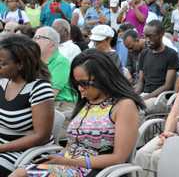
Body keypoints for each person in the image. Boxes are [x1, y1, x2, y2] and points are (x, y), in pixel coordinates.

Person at [10, 49, 144, 177]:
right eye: (76, 83)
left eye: (84, 83)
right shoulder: (88, 102)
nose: (79, 89)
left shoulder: (124, 106)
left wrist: (67, 162)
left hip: (96, 170)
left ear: (103, 77)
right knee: (21, 172)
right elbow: (72, 144)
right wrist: (58, 159)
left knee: (21, 174)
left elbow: (118, 158)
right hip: (68, 164)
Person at [135, 35, 179, 177]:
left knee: (158, 157)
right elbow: (175, 112)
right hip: (175, 135)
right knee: (142, 154)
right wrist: (167, 133)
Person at [0, 34, 54, 176]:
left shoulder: (39, 88)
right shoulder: (3, 81)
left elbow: (41, 136)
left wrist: (2, 148)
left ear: (20, 64)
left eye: (2, 64)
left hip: (26, 152)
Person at [33, 26, 77, 133]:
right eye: (34, 37)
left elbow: (51, 94)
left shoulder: (61, 62)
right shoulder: (36, 62)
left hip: (60, 108)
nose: (34, 40)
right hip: (39, 105)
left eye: (39, 37)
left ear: (52, 43)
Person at [135, 20, 179, 115]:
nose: (147, 40)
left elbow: (168, 86)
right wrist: (133, 95)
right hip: (145, 95)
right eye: (145, 36)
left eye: (150, 36)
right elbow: (140, 82)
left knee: (137, 110)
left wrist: (146, 97)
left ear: (161, 34)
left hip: (162, 98)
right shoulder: (144, 53)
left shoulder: (171, 54)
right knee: (124, 105)